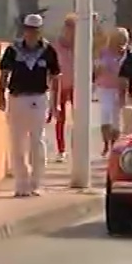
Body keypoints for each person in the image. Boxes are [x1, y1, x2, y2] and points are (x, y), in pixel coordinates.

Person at [0, 14, 61, 197]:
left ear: (40, 31)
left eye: (35, 30)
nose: (31, 34)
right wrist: (0, 96)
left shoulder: (48, 51)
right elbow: (4, 74)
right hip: (17, 98)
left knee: (37, 141)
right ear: (23, 30)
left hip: (39, 98)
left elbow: (55, 78)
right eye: (28, 30)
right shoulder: (13, 51)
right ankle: (21, 183)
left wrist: (55, 104)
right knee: (17, 142)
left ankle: (36, 182)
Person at [94, 26, 130, 156]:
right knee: (106, 113)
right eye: (118, 39)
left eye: (123, 40)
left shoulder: (128, 54)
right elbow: (97, 69)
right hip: (105, 87)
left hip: (120, 88)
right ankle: (105, 144)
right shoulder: (104, 52)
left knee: (117, 118)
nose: (120, 43)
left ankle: (114, 145)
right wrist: (101, 68)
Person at [51, 14, 77, 162]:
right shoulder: (56, 46)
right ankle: (61, 150)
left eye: (73, 28)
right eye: (68, 27)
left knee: (78, 119)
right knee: (60, 118)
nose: (70, 32)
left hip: (76, 86)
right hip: (60, 85)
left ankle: (77, 148)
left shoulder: (80, 46)